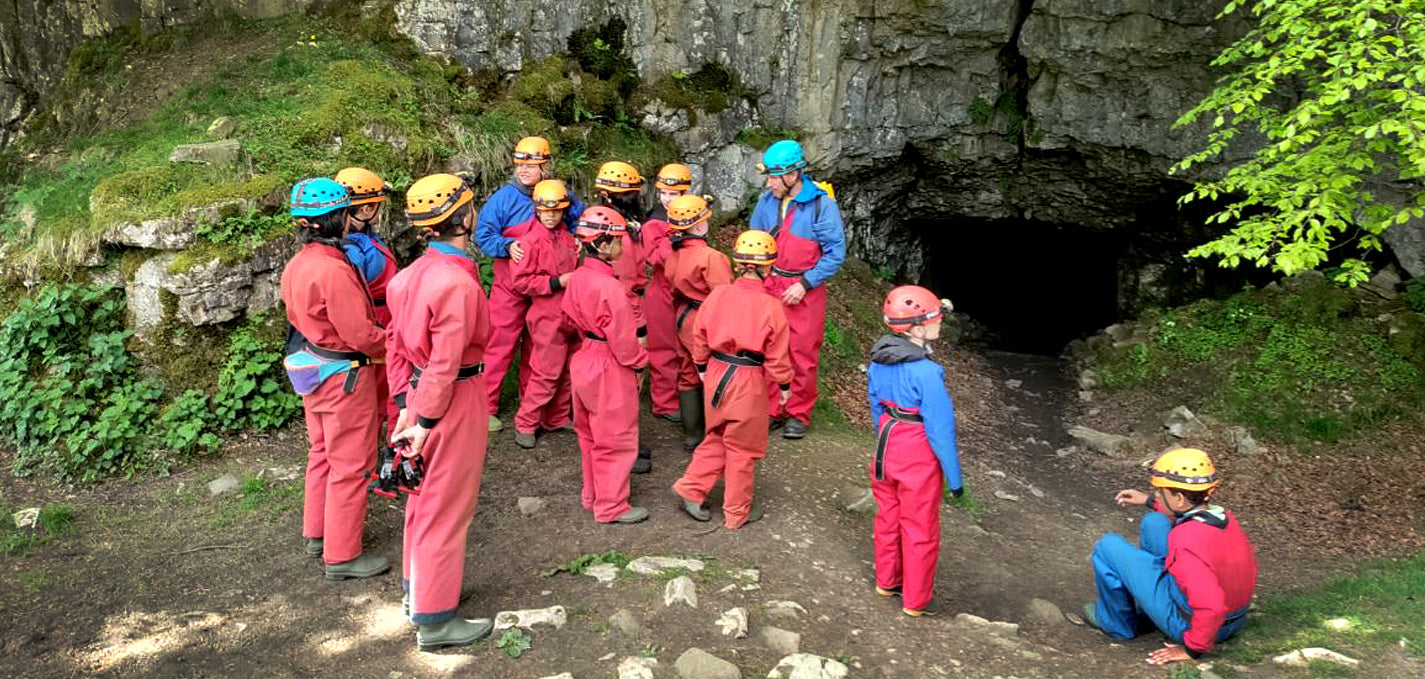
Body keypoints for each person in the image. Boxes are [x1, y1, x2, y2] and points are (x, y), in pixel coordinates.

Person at [385, 173, 495, 650]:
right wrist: (426, 421)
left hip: (417, 391)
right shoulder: (456, 283)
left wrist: (406, 407)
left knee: (422, 498)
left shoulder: (407, 277)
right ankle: (435, 620)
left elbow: (395, 347)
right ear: (465, 217)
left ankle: (416, 594)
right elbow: (448, 362)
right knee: (446, 507)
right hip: (453, 397)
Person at [278, 178, 389, 580]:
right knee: (352, 464)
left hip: (314, 369)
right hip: (344, 376)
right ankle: (342, 556)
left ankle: (317, 534)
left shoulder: (298, 264)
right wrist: (395, 342)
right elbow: (359, 333)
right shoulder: (332, 270)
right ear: (338, 219)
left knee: (322, 452)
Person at [1084, 448, 1257, 665]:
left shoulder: (1186, 540)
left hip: (1196, 627)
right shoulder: (1226, 519)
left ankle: (1117, 625)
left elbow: (1211, 605)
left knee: (1108, 546)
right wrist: (1148, 501)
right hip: (1233, 621)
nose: (1156, 494)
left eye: (1160, 491)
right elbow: (1184, 513)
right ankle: (1151, 611)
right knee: (1154, 521)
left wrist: (1192, 649)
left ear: (1179, 497)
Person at [672, 230, 792, 529]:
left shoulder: (718, 295)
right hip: (746, 377)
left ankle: (691, 488)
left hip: (715, 371)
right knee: (743, 447)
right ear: (769, 267)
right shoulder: (771, 307)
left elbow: (699, 331)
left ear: (738, 264)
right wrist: (785, 385)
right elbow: (777, 354)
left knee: (717, 435)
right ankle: (737, 511)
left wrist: (701, 365)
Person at [476, 136, 585, 432]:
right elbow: (483, 235)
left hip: (548, 287)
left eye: (532, 164)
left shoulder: (560, 194)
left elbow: (579, 221)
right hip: (510, 285)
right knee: (500, 343)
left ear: (545, 166)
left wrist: (576, 241)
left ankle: (533, 404)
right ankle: (486, 406)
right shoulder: (503, 199)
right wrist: (507, 245)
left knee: (540, 346)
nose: (524, 170)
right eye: (520, 163)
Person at [866, 285, 962, 617]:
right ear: (917, 327)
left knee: (888, 517)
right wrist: (955, 479)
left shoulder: (879, 359)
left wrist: (883, 440)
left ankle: (886, 580)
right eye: (935, 317)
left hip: (885, 446)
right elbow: (940, 430)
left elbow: (876, 408)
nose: (940, 323)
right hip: (917, 451)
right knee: (919, 526)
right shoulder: (928, 373)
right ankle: (915, 600)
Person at [748, 139, 846, 439]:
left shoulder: (820, 205)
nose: (769, 182)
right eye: (769, 176)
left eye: (774, 177)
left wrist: (805, 284)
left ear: (793, 175)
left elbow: (835, 253)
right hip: (771, 280)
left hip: (806, 288)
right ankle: (770, 409)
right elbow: (754, 237)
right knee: (766, 348)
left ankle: (798, 414)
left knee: (802, 353)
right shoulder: (766, 202)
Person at [561, 206, 650, 524]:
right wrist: (641, 362)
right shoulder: (610, 288)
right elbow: (625, 344)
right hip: (608, 363)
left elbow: (568, 315)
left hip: (584, 357)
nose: (623, 245)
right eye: (617, 239)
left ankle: (593, 495)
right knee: (615, 436)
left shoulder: (579, 277)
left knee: (588, 433)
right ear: (601, 244)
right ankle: (611, 506)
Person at [594, 160, 655, 473]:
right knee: (626, 383)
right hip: (624, 316)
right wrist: (640, 328)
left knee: (621, 385)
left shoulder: (607, 225)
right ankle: (621, 448)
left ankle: (623, 442)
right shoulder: (620, 236)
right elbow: (627, 285)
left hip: (611, 314)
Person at [508, 180, 578, 449]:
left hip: (571, 313)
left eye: (556, 211)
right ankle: (526, 423)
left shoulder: (568, 238)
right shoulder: (530, 241)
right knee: (545, 373)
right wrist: (556, 281)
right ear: (536, 209)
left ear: (563, 210)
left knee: (568, 371)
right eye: (545, 211)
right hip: (547, 314)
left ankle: (557, 418)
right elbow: (522, 282)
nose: (550, 215)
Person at [662, 194, 733, 450]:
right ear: (699, 225)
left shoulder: (674, 255)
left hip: (684, 318)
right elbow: (724, 298)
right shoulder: (711, 257)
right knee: (714, 373)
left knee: (687, 373)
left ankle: (692, 434)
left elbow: (672, 289)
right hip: (708, 319)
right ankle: (715, 434)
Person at [335, 166, 400, 435]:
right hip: (377, 320)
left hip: (382, 316)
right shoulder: (354, 249)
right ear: (363, 210)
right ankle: (370, 450)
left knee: (381, 388)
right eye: (376, 206)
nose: (379, 212)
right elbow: (354, 296)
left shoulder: (362, 237)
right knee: (378, 390)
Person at [642, 163, 692, 423]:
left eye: (673, 194)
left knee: (687, 348)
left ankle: (686, 397)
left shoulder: (693, 216)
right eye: (664, 193)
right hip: (663, 290)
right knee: (663, 348)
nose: (667, 199)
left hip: (688, 290)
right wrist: (678, 240)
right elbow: (656, 256)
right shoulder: (655, 222)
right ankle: (664, 402)